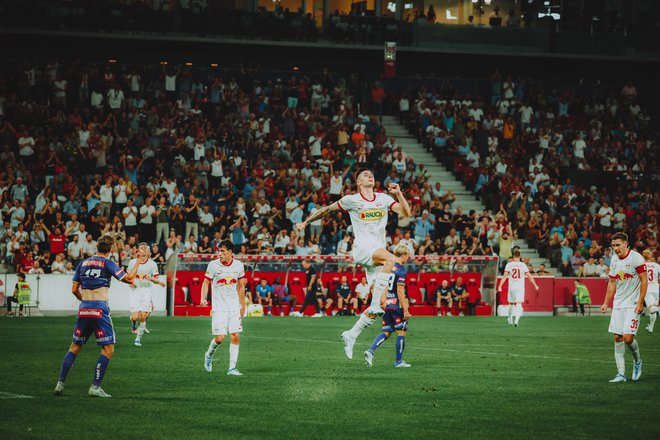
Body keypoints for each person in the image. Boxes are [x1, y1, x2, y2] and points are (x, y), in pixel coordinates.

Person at [295, 168, 411, 359]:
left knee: (382, 304)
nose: (370, 176)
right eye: (365, 175)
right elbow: (326, 210)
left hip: (377, 256)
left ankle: (351, 335)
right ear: (358, 182)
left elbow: (406, 213)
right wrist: (306, 223)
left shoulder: (383, 199)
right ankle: (372, 304)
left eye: (371, 174)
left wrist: (399, 194)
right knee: (391, 258)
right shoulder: (352, 200)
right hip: (364, 250)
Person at [54, 234, 141, 398]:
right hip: (99, 309)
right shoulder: (108, 263)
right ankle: (95, 386)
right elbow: (129, 278)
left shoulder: (83, 263)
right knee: (108, 348)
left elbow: (74, 289)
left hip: (84, 308)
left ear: (97, 247)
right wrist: (137, 260)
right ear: (110, 249)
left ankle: (60, 384)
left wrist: (85, 302)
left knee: (74, 347)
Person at [600, 233, 647, 383]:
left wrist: (641, 302)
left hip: (633, 303)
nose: (615, 248)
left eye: (618, 245)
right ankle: (621, 373)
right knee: (617, 338)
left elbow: (644, 280)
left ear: (626, 244)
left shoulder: (636, 258)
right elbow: (612, 282)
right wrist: (606, 303)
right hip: (619, 303)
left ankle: (637, 361)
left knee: (628, 338)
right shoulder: (614, 259)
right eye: (613, 246)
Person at [201, 239, 246, 376]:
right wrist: (203, 298)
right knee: (220, 338)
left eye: (222, 251)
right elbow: (205, 283)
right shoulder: (213, 265)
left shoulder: (238, 266)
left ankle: (232, 368)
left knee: (235, 336)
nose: (219, 254)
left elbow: (241, 286)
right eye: (218, 251)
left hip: (233, 307)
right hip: (219, 308)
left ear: (230, 252)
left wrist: (242, 305)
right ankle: (208, 355)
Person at [364, 245, 411, 368]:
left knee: (387, 332)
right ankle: (399, 361)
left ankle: (371, 351)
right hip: (396, 305)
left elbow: (382, 285)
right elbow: (400, 291)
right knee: (401, 332)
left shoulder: (389, 267)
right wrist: (405, 309)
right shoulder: (401, 270)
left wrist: (382, 301)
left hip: (386, 304)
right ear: (403, 255)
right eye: (407, 256)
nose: (408, 258)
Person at [127, 242, 162, 346]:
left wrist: (150, 278)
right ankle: (133, 324)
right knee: (134, 317)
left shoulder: (152, 264)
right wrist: (130, 283)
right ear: (138, 250)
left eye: (144, 248)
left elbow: (157, 279)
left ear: (148, 251)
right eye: (140, 248)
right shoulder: (132, 262)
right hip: (135, 290)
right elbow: (129, 276)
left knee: (143, 316)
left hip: (146, 290)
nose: (142, 249)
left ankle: (138, 339)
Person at [497, 250, 539, 327]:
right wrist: (535, 285)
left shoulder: (509, 265)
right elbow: (529, 276)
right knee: (519, 304)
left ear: (513, 257)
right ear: (520, 257)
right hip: (520, 287)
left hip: (512, 287)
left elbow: (505, 276)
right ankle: (516, 321)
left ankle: (510, 318)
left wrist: (500, 286)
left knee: (511, 304)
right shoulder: (523, 265)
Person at [641, 250, 658, 333]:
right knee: (653, 309)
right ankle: (651, 327)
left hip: (647, 289)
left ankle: (657, 309)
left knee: (652, 308)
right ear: (650, 256)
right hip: (656, 289)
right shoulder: (656, 265)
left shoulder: (641, 265)